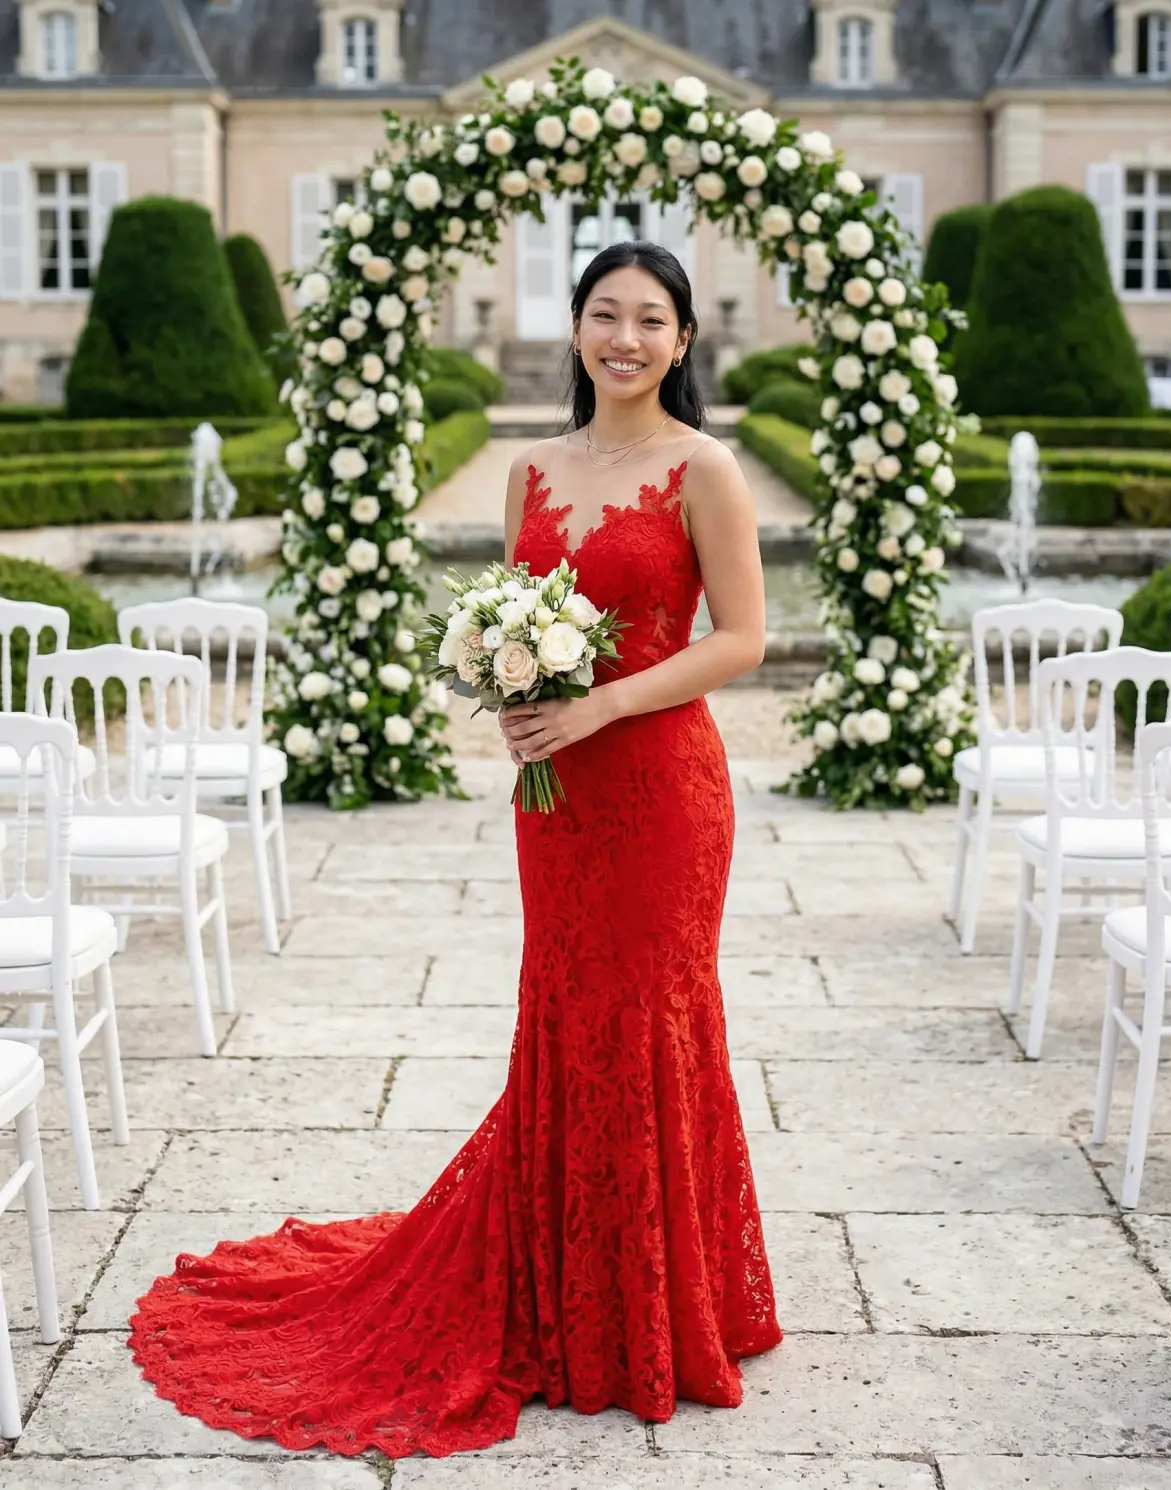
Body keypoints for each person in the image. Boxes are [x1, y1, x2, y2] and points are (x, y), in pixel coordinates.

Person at [128, 240, 782, 1459]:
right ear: (576, 328)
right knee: (567, 1011)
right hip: (558, 798)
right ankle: (565, 1291)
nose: (626, 338)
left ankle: (657, 1303)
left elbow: (743, 638)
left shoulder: (707, 467)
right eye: (605, 314)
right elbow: (515, 619)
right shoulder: (531, 470)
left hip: (662, 789)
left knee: (653, 1012)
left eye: (650, 319)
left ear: (683, 340)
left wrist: (598, 703)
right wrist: (515, 691)